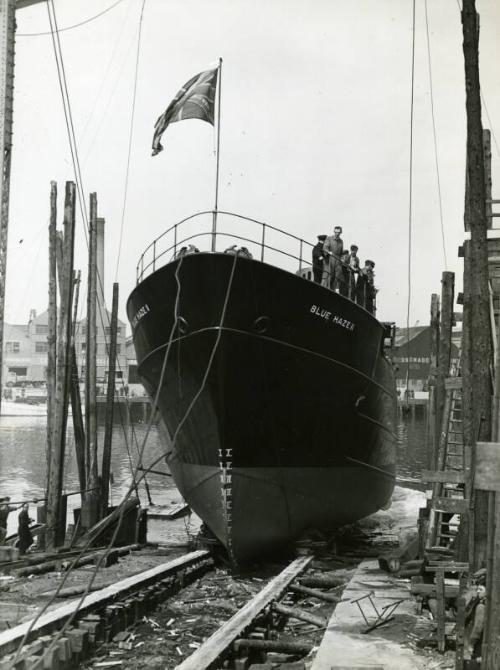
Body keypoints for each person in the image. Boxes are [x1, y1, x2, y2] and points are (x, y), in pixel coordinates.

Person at [322, 226, 344, 290]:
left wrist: (342, 259)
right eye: (336, 232)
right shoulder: (329, 238)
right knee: (330, 275)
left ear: (340, 233)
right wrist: (329, 252)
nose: (337, 234)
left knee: (336, 276)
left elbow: (341, 252)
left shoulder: (341, 241)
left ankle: (333, 290)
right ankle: (327, 288)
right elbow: (325, 248)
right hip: (331, 258)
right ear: (334, 232)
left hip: (338, 259)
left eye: (339, 232)